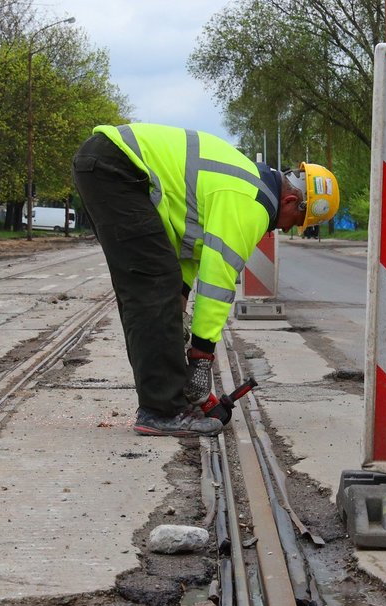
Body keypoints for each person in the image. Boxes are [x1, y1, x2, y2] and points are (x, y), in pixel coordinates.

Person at [72, 123, 339, 437]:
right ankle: (161, 412)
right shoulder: (251, 202)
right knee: (152, 287)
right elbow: (217, 280)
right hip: (118, 170)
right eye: (295, 222)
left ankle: (165, 400)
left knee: (158, 288)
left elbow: (185, 252)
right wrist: (201, 356)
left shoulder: (246, 182)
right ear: (291, 202)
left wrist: (179, 306)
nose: (285, 229)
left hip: (111, 164)